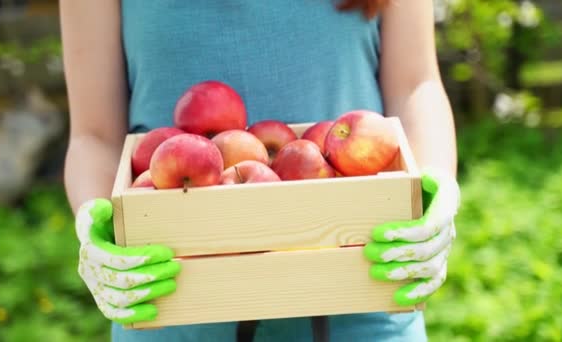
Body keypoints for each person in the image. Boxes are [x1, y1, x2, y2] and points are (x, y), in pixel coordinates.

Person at [60, 0, 460, 341]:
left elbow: (415, 84)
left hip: (365, 297)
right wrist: (96, 218)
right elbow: (95, 135)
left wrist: (435, 182)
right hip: (170, 303)